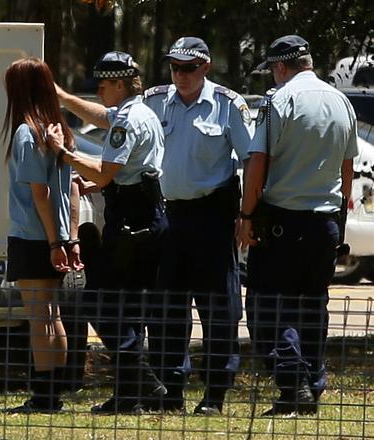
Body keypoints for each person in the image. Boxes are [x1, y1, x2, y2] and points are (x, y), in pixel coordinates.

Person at [239, 35, 358, 415]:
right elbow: (347, 167)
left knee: (267, 307)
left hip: (283, 222)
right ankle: (312, 380)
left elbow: (258, 160)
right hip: (325, 222)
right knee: (312, 306)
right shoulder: (341, 101)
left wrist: (245, 216)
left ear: (280, 67)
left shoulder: (279, 100)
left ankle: (294, 384)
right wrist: (338, 217)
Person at [46, 51, 168, 414]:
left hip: (132, 220)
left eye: (102, 86)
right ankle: (130, 395)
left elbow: (105, 171)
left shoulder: (127, 121)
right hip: (144, 213)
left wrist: (65, 153)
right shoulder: (140, 111)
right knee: (129, 307)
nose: (99, 93)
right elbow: (105, 122)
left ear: (119, 83)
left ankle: (146, 383)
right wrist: (65, 99)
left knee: (98, 301)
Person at [143, 37, 253, 415]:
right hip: (168, 216)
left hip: (212, 218)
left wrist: (247, 214)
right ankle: (170, 389)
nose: (180, 75)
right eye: (174, 67)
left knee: (218, 309)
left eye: (188, 68)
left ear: (205, 67)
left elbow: (251, 159)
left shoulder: (228, 105)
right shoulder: (155, 101)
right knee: (166, 309)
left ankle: (214, 394)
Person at [1, 57, 83, 414]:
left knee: (39, 318)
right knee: (52, 315)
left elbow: (39, 193)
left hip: (34, 237)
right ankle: (54, 391)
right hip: (54, 235)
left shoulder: (27, 133)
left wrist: (52, 243)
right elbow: (72, 190)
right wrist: (68, 237)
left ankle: (44, 396)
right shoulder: (59, 131)